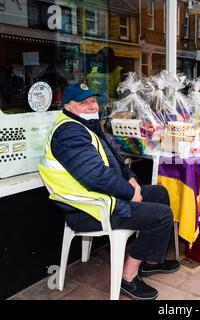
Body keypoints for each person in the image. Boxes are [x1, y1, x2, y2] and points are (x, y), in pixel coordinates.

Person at [38, 83, 180, 300]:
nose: (91, 106)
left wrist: (130, 178)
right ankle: (128, 278)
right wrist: (129, 192)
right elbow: (95, 176)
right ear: (68, 106)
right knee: (162, 216)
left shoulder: (87, 125)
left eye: (93, 101)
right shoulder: (69, 132)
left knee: (160, 193)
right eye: (83, 103)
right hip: (87, 210)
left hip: (104, 199)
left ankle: (151, 261)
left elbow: (113, 158)